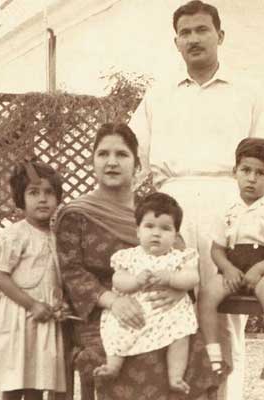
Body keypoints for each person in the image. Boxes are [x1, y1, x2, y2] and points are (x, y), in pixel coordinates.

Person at [128, 1, 264, 398]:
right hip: (172, 208)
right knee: (167, 307)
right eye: (185, 33)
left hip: (227, 207)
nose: (194, 39)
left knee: (223, 314)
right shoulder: (158, 96)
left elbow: (263, 160)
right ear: (176, 43)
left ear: (220, 36)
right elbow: (135, 156)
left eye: (202, 30)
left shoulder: (248, 93)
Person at [54, 123, 221, 400]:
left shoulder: (153, 212)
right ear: (92, 161)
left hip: (160, 306)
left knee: (191, 348)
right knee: (126, 359)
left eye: (121, 154)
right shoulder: (76, 214)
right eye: (103, 154)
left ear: (137, 164)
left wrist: (176, 288)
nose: (111, 162)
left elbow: (180, 255)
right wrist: (114, 301)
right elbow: (71, 272)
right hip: (102, 311)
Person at [198, 138, 264, 382]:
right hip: (233, 271)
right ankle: (213, 356)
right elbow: (216, 249)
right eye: (246, 170)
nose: (252, 178)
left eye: (261, 173)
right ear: (235, 172)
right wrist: (227, 269)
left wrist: (260, 270)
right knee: (207, 293)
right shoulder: (226, 211)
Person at [95, 192, 200, 394]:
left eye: (165, 228)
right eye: (149, 226)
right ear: (137, 231)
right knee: (117, 328)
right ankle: (113, 366)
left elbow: (192, 278)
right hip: (134, 311)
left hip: (169, 313)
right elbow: (117, 279)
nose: (156, 233)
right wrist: (134, 281)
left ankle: (175, 376)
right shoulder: (128, 257)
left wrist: (171, 278)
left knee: (181, 335)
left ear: (176, 235)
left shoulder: (180, 258)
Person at [0, 159, 67, 400]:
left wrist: (59, 304)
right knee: (15, 378)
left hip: (45, 316)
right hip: (19, 316)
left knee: (37, 378)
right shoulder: (14, 235)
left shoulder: (58, 236)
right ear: (21, 198)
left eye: (49, 193)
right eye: (33, 193)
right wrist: (31, 304)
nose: (42, 199)